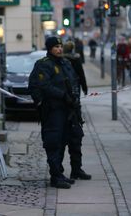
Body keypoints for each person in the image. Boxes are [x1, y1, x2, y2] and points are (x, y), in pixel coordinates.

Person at [28, 36, 79, 189]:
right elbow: (43, 86)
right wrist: (62, 95)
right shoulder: (43, 65)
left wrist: (73, 98)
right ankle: (55, 176)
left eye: (60, 46)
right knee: (53, 143)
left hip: (67, 110)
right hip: (52, 110)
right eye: (56, 47)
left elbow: (73, 81)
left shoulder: (65, 63)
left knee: (63, 141)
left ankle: (59, 173)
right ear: (50, 49)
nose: (59, 49)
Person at [61, 41, 92, 181]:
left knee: (76, 138)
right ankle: (61, 172)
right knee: (61, 141)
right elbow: (81, 74)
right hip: (63, 105)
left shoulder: (67, 60)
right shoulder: (61, 62)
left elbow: (79, 74)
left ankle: (76, 169)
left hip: (73, 103)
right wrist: (84, 88)